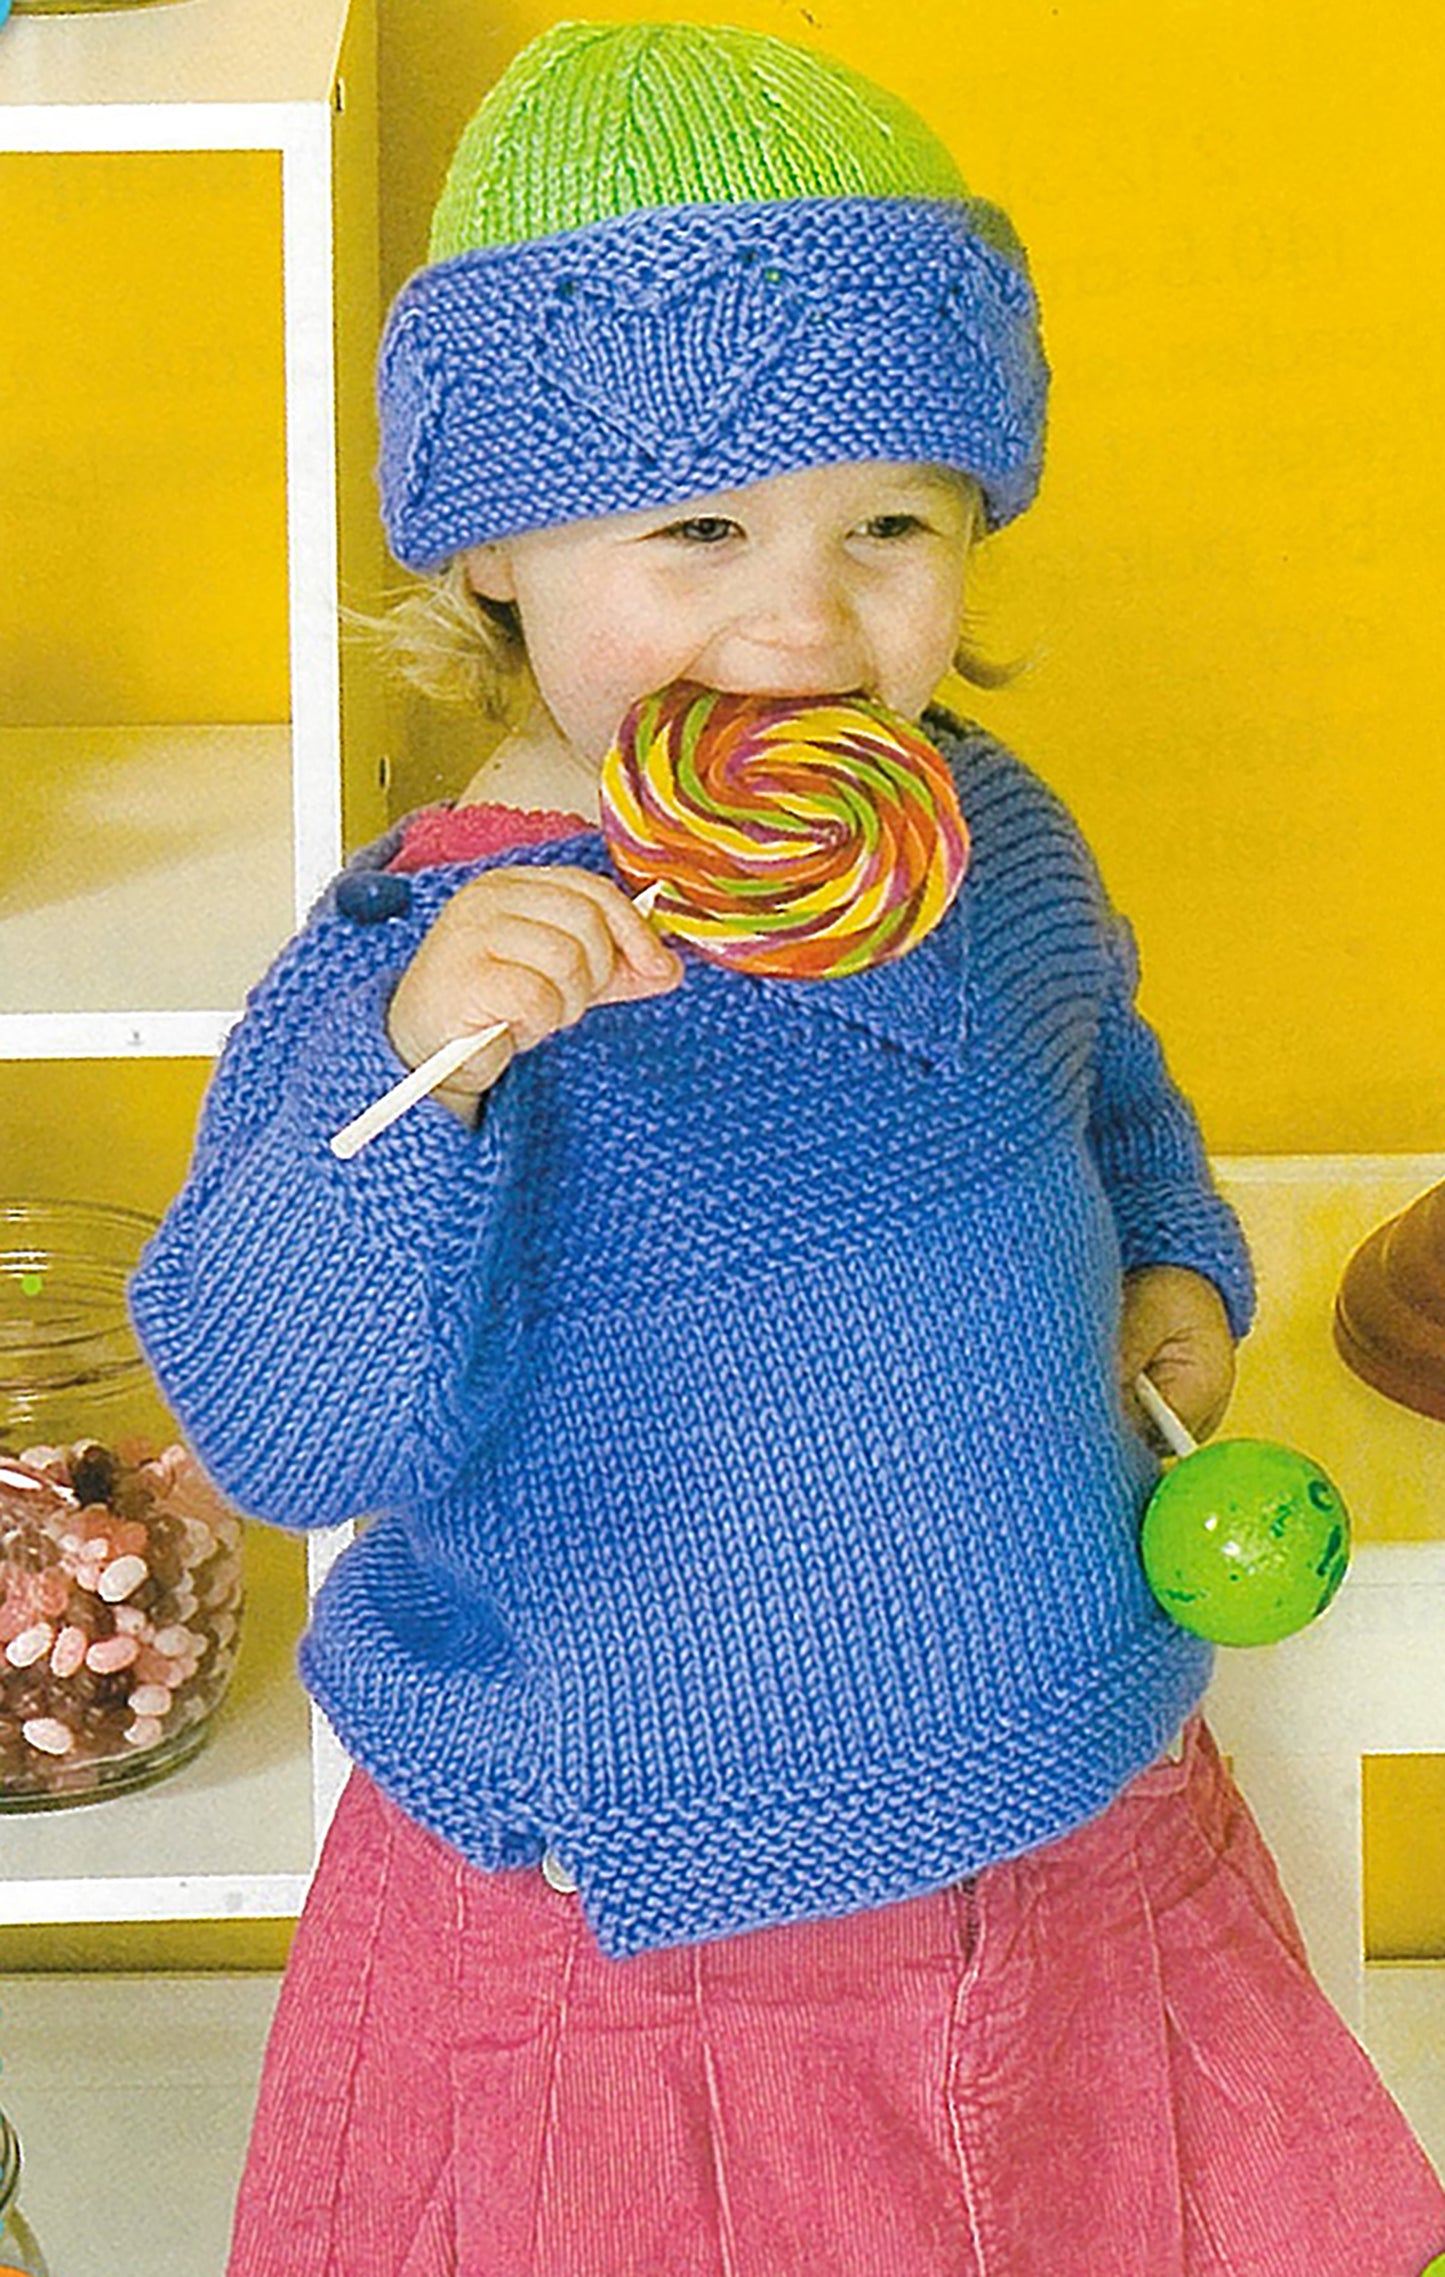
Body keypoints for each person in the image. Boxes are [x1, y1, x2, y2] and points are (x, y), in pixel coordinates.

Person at [129, 22, 1445, 2275]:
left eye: (893, 522)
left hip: (1074, 1812)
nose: (808, 615)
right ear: (495, 563)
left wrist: (1177, 1268)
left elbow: (1107, 1080)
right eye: (701, 524)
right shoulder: (417, 966)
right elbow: (277, 1419)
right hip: (631, 1940)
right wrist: (429, 1069)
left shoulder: (995, 835)